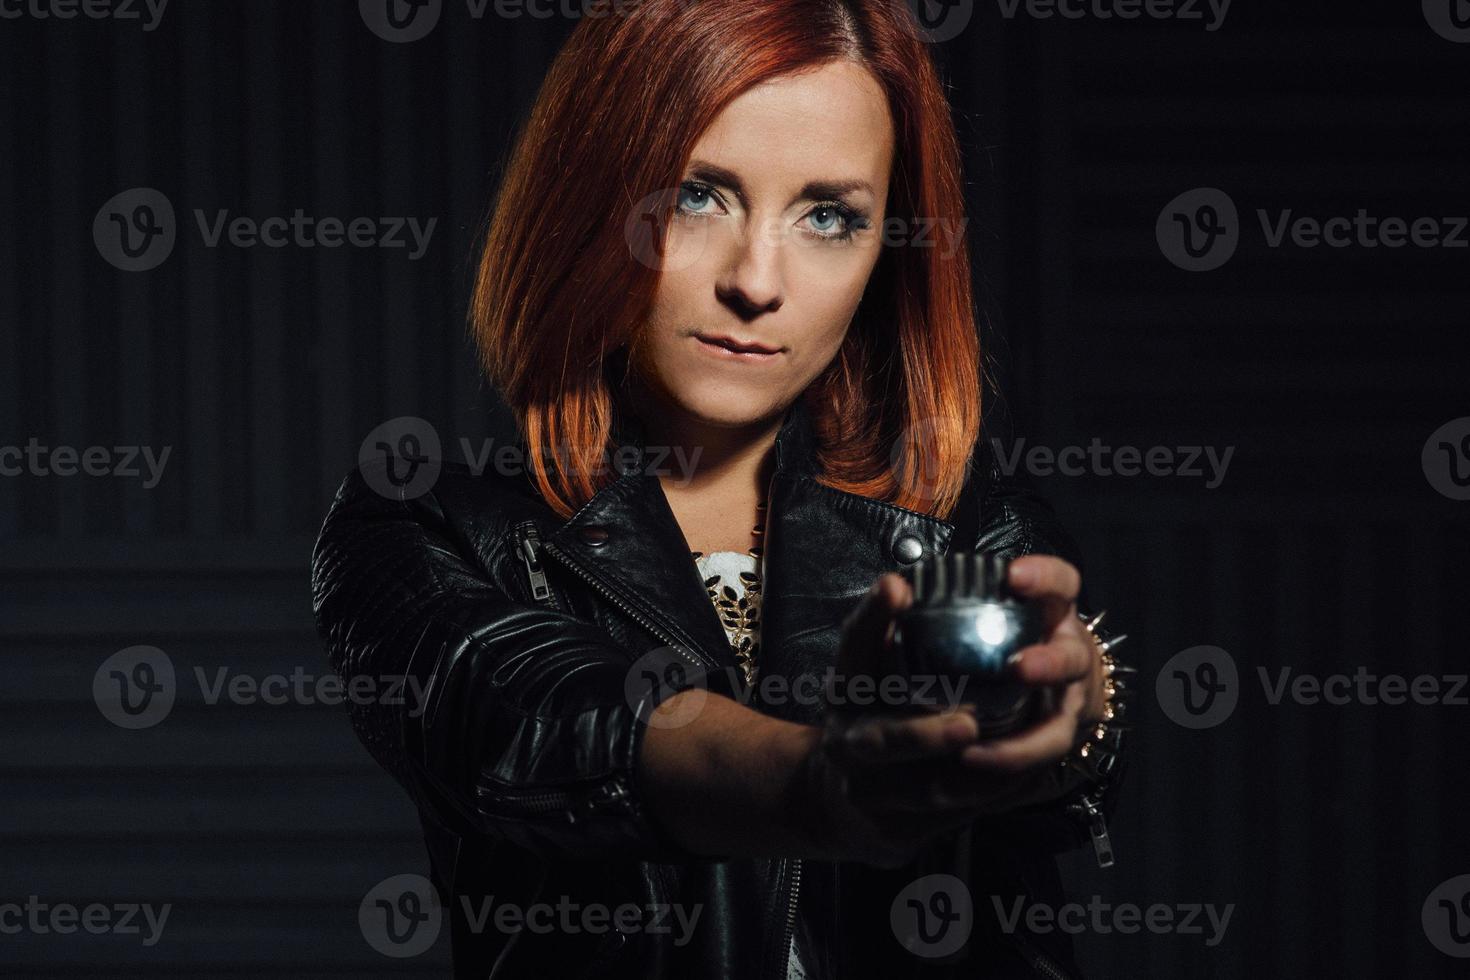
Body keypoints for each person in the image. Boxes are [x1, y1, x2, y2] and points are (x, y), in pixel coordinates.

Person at [311, 1, 1129, 976]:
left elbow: (1052, 774)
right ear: (593, 199)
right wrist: (814, 784)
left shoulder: (965, 524)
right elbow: (536, 721)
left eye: (829, 216)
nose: (757, 279)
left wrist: (1079, 715)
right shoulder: (430, 528)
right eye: (701, 195)